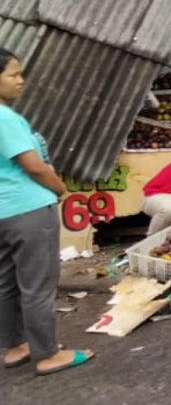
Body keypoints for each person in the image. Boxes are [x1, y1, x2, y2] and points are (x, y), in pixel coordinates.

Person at [0, 48, 94, 376]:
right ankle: (47, 354)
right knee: (38, 285)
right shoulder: (5, 118)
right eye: (13, 74)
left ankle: (15, 346)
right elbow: (34, 167)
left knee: (6, 283)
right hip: (27, 211)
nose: (20, 80)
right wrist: (62, 190)